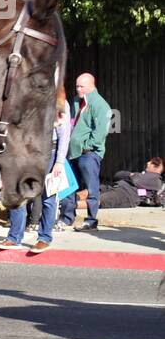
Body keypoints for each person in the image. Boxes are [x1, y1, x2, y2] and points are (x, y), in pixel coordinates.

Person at [0, 91, 72, 251]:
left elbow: (64, 135)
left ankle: (44, 237)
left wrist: (59, 161)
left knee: (48, 197)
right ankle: (14, 237)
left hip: (48, 152)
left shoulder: (59, 102)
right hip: (24, 152)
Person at [58, 73, 112, 231]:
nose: (78, 89)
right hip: (72, 151)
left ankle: (91, 219)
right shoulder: (76, 101)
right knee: (68, 186)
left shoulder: (100, 105)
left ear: (91, 85)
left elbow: (101, 131)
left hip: (88, 153)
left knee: (91, 186)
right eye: (77, 86)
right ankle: (67, 217)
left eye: (82, 86)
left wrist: (86, 146)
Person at [99, 157, 164, 209]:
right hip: (114, 187)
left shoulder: (156, 180)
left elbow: (136, 180)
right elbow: (117, 175)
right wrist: (131, 175)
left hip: (124, 195)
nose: (148, 163)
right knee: (92, 191)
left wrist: (133, 175)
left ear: (156, 167)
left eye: (151, 162)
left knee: (97, 201)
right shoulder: (143, 175)